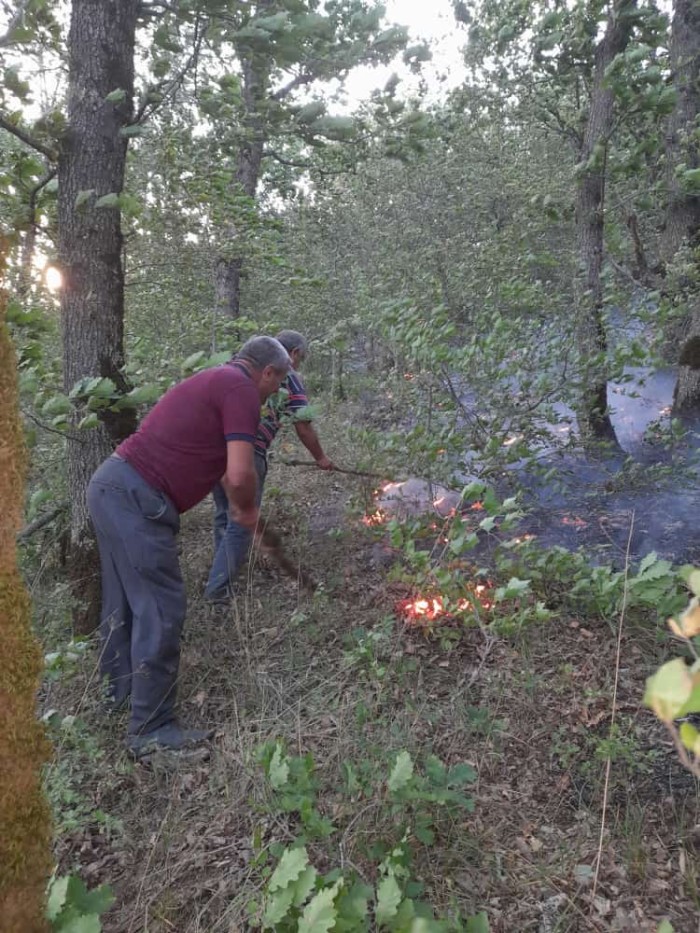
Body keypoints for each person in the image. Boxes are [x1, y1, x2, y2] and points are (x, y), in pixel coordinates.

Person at [87, 336, 290, 757]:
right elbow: (239, 471)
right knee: (162, 608)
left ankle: (117, 696)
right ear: (266, 371)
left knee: (124, 602)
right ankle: (151, 730)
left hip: (111, 485)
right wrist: (247, 507)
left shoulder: (215, 381)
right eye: (279, 381)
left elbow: (212, 466)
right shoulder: (240, 390)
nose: (277, 392)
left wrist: (240, 507)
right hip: (135, 497)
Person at [205, 330, 334, 600]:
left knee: (223, 515)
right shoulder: (288, 377)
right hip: (247, 451)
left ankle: (220, 577)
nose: (297, 365)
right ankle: (217, 593)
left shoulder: (240, 369)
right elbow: (303, 426)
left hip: (217, 449)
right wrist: (321, 458)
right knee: (239, 523)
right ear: (295, 353)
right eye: (301, 358)